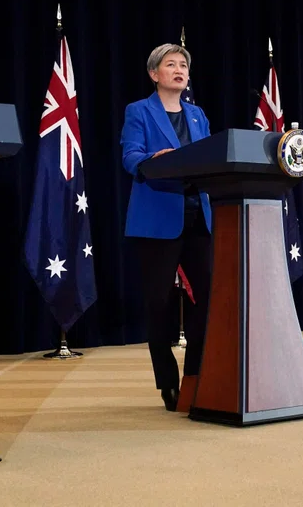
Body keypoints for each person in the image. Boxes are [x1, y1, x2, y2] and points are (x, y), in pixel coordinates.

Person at [120, 44, 213, 411]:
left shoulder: (197, 114)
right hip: (157, 217)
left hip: (198, 215)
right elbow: (130, 156)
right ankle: (167, 382)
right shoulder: (138, 111)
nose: (179, 69)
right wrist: (150, 160)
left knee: (204, 299)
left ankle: (195, 376)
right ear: (154, 74)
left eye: (184, 65)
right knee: (158, 303)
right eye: (170, 64)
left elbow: (209, 156)